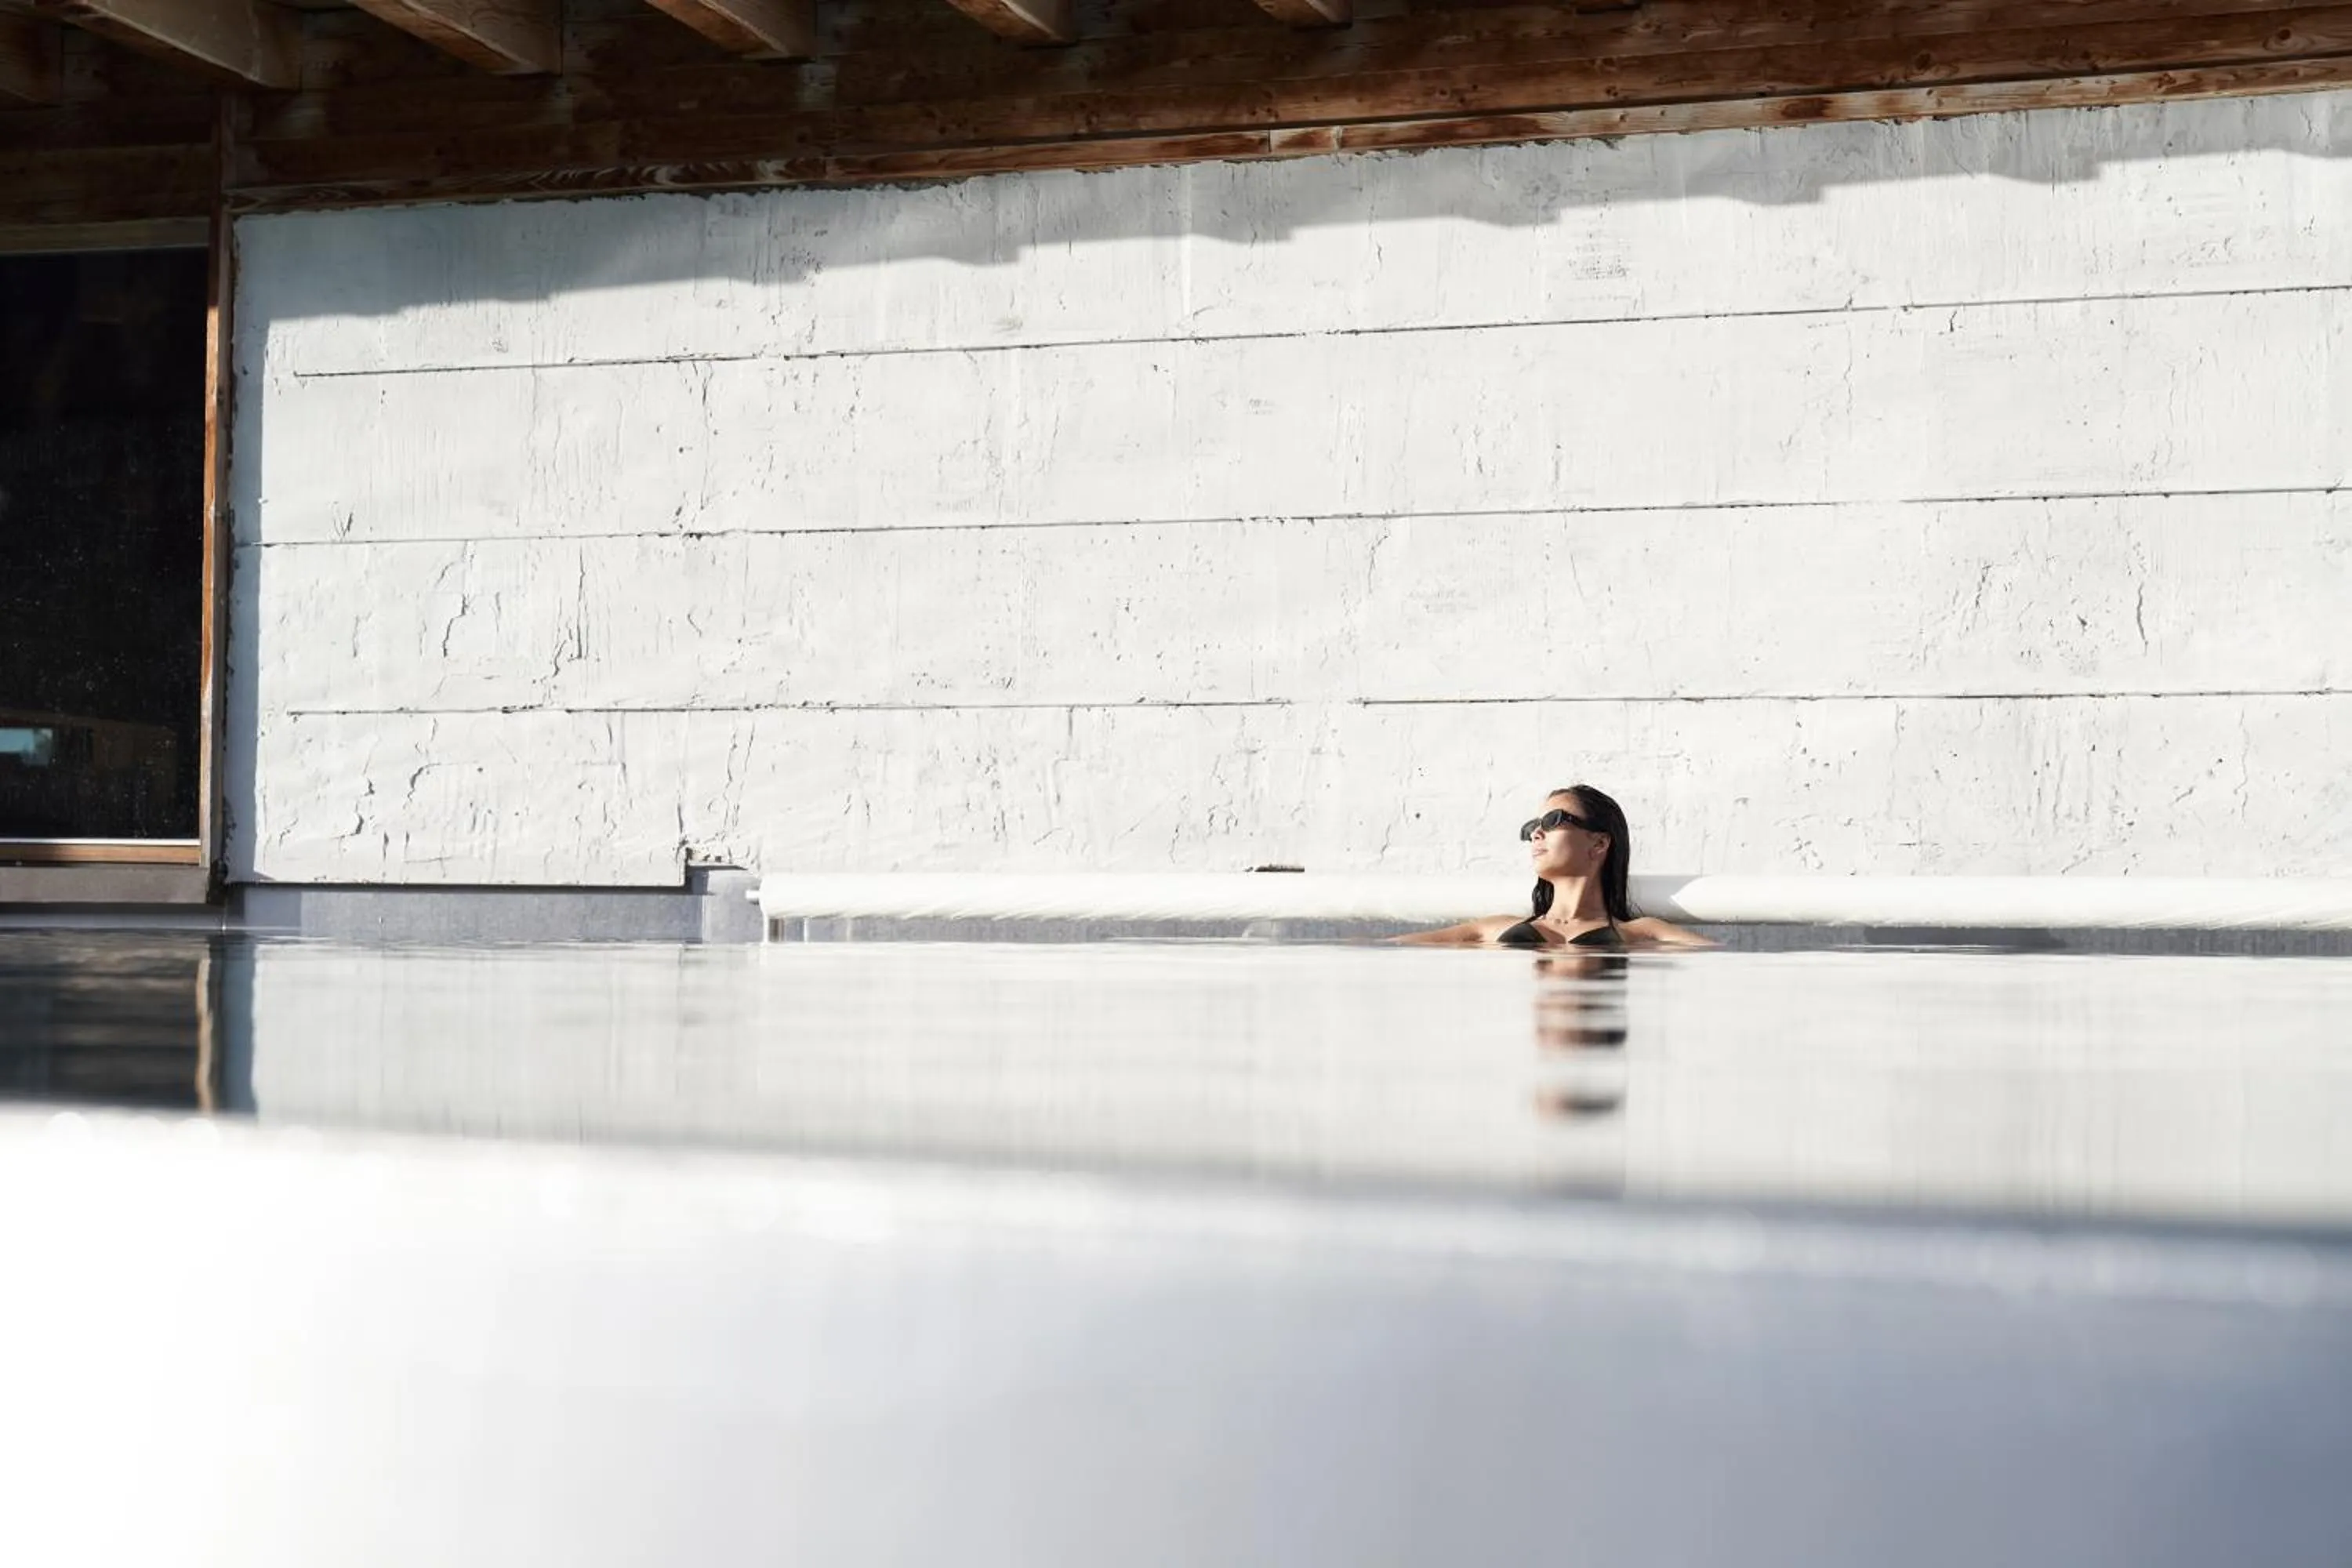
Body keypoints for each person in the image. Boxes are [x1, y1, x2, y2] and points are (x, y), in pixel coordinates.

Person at [1396, 785, 1715, 949]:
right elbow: (1393, 948)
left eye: (1553, 821)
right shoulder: (1492, 929)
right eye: (1534, 825)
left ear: (1599, 843)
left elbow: (1718, 958)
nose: (1537, 832)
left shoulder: (1642, 933)